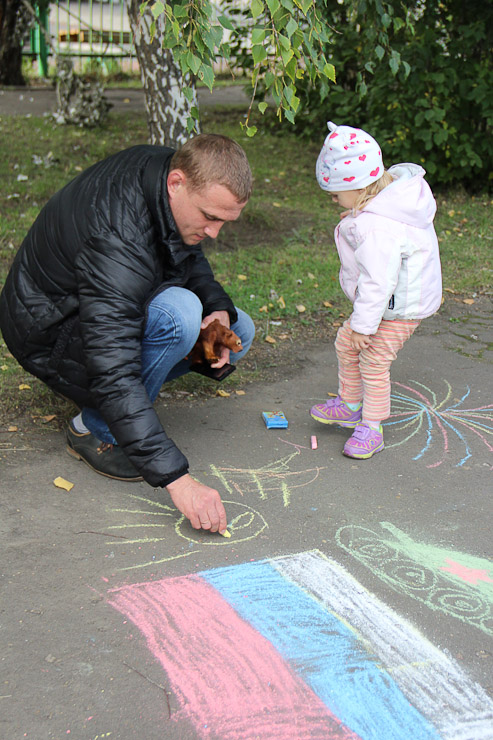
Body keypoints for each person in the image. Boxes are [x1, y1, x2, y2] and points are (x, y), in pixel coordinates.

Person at [0, 134, 255, 532]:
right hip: (49, 332)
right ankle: (95, 430)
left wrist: (216, 307)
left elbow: (185, 254)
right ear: (176, 183)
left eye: (225, 221)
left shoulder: (166, 177)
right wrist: (179, 481)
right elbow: (112, 365)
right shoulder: (116, 234)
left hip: (91, 310)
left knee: (237, 331)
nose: (215, 232)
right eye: (210, 216)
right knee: (179, 318)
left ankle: (128, 410)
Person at [310, 121, 442, 459]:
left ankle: (371, 426)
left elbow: (378, 280)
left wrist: (363, 326)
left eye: (336, 194)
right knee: (346, 343)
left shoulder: (377, 228)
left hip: (400, 307)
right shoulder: (385, 204)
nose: (333, 200)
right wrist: (359, 212)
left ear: (357, 187)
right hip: (390, 301)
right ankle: (351, 404)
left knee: (373, 359)